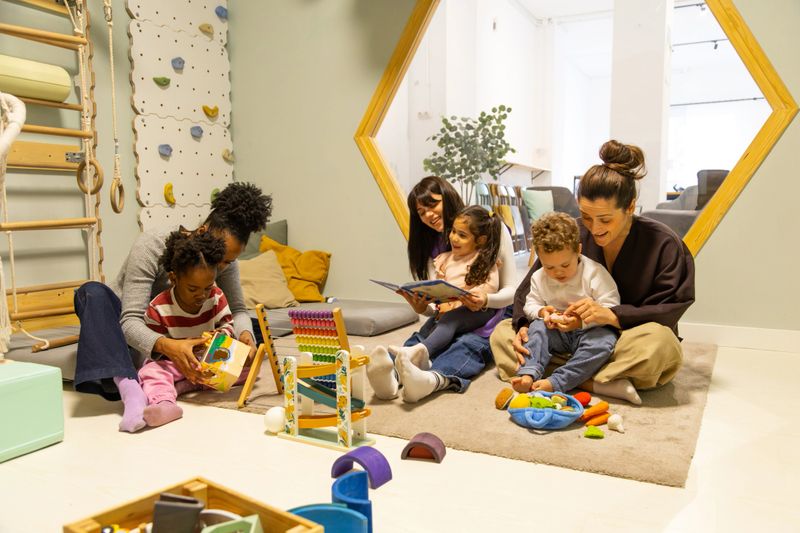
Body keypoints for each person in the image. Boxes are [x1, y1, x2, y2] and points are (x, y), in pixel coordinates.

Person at [490, 140, 695, 404]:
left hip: (621, 340)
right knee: (502, 334)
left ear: (630, 207)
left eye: (605, 219)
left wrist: (611, 315)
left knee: (660, 346)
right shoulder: (570, 234)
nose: (594, 228)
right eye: (586, 216)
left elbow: (668, 310)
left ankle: (562, 375)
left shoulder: (664, 243)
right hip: (559, 337)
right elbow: (529, 289)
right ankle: (595, 380)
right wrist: (523, 325)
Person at [73, 182, 272, 432]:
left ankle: (174, 385)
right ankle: (129, 385)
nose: (222, 267)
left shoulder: (224, 262)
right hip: (128, 337)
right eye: (221, 259)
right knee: (90, 294)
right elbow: (131, 320)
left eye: (228, 261)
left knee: (256, 329)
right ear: (202, 232)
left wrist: (245, 337)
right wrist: (169, 346)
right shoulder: (152, 244)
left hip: (180, 339)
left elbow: (238, 309)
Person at [367, 176, 517, 403]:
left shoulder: (487, 228)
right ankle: (389, 379)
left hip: (491, 313)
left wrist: (485, 300)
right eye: (421, 212)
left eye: (433, 205)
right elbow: (435, 302)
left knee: (465, 346)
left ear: (447, 198)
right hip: (449, 312)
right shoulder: (433, 246)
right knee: (422, 337)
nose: (428, 215)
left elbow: (511, 290)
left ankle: (431, 380)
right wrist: (422, 306)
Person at [384, 205, 503, 384]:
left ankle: (421, 352)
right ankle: (394, 374)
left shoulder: (483, 259)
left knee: (450, 320)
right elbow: (439, 286)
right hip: (448, 310)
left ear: (480, 240)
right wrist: (430, 300)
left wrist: (477, 295)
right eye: (453, 231)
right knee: (428, 328)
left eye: (462, 235)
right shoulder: (444, 259)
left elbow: (491, 286)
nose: (454, 237)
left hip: (477, 311)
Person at [511, 212, 620, 396]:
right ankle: (529, 374)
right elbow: (529, 305)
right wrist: (541, 312)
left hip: (590, 331)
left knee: (605, 341)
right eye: (549, 267)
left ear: (578, 250)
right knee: (533, 329)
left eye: (565, 265)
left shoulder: (594, 273)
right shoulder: (539, 277)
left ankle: (557, 380)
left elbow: (612, 308)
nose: (558, 273)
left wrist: (582, 321)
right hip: (556, 332)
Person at [138, 231, 234, 428]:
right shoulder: (159, 307)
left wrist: (221, 336)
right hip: (175, 364)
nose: (201, 295)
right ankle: (165, 403)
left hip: (209, 360)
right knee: (151, 372)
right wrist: (176, 357)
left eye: (207, 287)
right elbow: (156, 347)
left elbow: (228, 325)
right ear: (174, 279)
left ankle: (186, 385)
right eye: (193, 289)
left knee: (246, 364)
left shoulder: (216, 297)